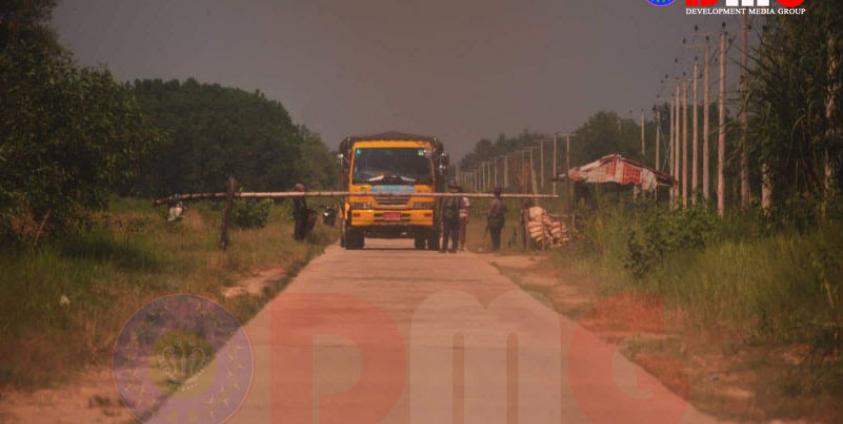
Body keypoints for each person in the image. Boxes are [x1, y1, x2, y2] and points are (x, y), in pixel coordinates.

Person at [439, 181, 462, 253]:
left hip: (455, 215)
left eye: (455, 188)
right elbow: (443, 206)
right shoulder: (446, 195)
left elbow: (459, 206)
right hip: (447, 214)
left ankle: (454, 248)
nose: (453, 189)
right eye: (452, 187)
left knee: (455, 233)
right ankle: (444, 248)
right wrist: (442, 215)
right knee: (446, 232)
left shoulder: (458, 196)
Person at [487, 187, 507, 251]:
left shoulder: (494, 201)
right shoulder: (503, 201)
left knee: (494, 234)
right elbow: (506, 210)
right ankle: (497, 247)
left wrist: (489, 214)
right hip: (500, 219)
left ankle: (495, 247)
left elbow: (490, 211)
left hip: (494, 219)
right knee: (498, 234)